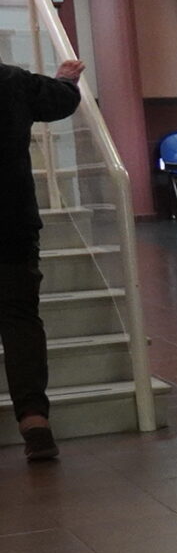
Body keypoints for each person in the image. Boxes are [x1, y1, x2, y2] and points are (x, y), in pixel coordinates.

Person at [0, 51, 84, 464]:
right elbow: (59, 101)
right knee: (20, 320)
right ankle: (35, 423)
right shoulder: (11, 81)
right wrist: (66, 80)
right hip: (11, 222)